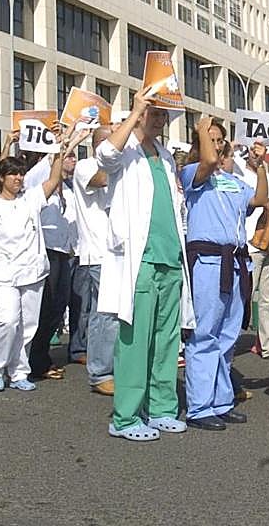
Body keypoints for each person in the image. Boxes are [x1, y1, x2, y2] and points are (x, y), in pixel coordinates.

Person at [97, 86, 194, 442]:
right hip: (140, 260)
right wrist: (135, 113)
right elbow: (105, 154)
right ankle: (124, 417)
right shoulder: (126, 152)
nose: (159, 119)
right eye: (153, 113)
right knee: (135, 338)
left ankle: (162, 407)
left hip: (170, 259)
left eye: (162, 114)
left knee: (167, 340)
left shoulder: (166, 157)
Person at [180, 116, 267, 430]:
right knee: (205, 333)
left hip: (236, 262)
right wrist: (203, 131)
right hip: (209, 260)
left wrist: (260, 167)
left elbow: (258, 199)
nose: (216, 145)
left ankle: (221, 399)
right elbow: (207, 160)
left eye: (220, 140)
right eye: (211, 139)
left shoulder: (231, 181)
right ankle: (200, 407)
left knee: (228, 336)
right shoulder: (193, 174)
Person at [0, 151, 71, 392]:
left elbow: (54, 179)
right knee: (7, 320)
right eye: (13, 173)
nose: (18, 177)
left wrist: (60, 152)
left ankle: (19, 372)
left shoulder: (31, 198)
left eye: (21, 173)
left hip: (32, 271)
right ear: (1, 177)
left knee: (28, 325)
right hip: (3, 271)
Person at [70, 126, 119, 396]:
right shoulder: (86, 166)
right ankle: (100, 372)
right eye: (110, 139)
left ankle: (114, 364)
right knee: (106, 312)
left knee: (119, 312)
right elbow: (100, 180)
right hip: (98, 252)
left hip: (120, 250)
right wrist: (117, 156)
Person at [27, 144, 79, 381]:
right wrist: (65, 142)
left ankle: (42, 353)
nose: (72, 161)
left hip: (63, 252)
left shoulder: (68, 190)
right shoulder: (37, 182)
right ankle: (36, 361)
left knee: (59, 306)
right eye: (68, 157)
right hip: (45, 249)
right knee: (45, 307)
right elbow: (49, 163)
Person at [239, 146, 269, 359]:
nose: (257, 155)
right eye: (253, 152)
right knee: (245, 295)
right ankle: (230, 340)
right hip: (249, 243)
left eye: (260, 153)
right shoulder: (236, 173)